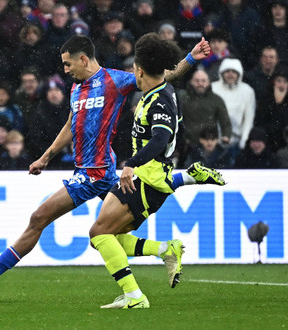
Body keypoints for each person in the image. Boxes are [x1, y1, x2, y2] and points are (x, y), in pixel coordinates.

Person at [0, 34, 221, 300]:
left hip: (95, 172)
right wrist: (46, 157)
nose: (65, 70)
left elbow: (160, 77)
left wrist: (191, 58)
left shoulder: (115, 80)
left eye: (67, 64)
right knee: (108, 235)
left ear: (84, 59)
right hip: (96, 171)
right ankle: (164, 248)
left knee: (39, 218)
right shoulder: (76, 88)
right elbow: (70, 125)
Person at [89, 33, 225, 309]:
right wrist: (189, 58)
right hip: (149, 178)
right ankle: (165, 249)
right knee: (106, 236)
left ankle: (135, 296)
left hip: (145, 180)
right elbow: (169, 75)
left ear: (139, 69)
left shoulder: (159, 102)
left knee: (99, 234)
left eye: (134, 68)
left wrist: (130, 165)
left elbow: (161, 140)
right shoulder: (158, 90)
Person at [178, 69, 231, 162]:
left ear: (208, 82)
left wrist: (226, 136)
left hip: (209, 144)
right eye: (197, 81)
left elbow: (225, 121)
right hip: (187, 145)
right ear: (191, 82)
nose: (200, 84)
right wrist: (180, 139)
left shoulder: (216, 100)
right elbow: (176, 120)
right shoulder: (182, 98)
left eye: (203, 81)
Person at [211, 58, 256, 161]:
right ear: (221, 73)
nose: (230, 74)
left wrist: (244, 141)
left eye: (233, 72)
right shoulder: (213, 88)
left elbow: (249, 119)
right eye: (227, 71)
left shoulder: (247, 91)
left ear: (239, 74)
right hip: (214, 143)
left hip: (237, 143)